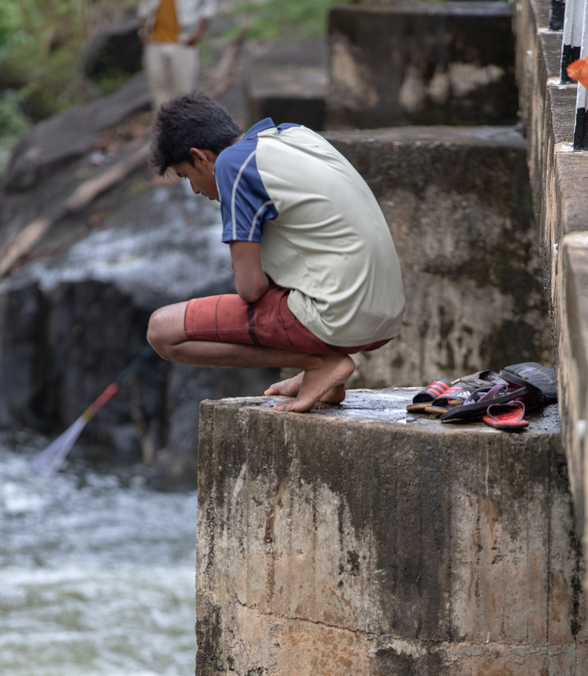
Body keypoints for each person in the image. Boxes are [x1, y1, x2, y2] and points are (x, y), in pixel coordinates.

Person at [146, 93, 405, 413]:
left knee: (162, 330)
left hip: (340, 314)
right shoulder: (294, 134)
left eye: (187, 176)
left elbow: (250, 288)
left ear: (200, 157)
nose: (196, 190)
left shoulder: (232, 164)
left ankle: (318, 362)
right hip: (385, 313)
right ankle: (322, 367)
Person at [138, 0, 216, 111]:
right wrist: (142, 30)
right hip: (154, 42)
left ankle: (185, 125)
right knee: (158, 89)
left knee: (184, 91)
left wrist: (198, 32)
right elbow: (144, 6)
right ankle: (163, 126)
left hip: (183, 42)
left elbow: (208, 5)